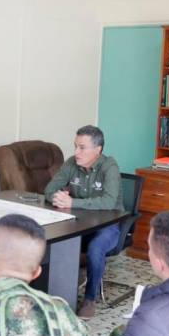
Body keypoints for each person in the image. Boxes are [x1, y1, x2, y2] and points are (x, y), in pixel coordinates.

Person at [44, 125, 123, 317]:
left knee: (96, 248)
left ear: (98, 150)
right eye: (75, 146)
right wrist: (58, 196)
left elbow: (109, 201)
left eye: (82, 147)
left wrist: (73, 201)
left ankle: (89, 299)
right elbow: (48, 189)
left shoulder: (109, 167)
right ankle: (50, 296)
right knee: (52, 238)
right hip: (79, 223)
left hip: (108, 225)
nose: (76, 152)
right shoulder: (71, 164)